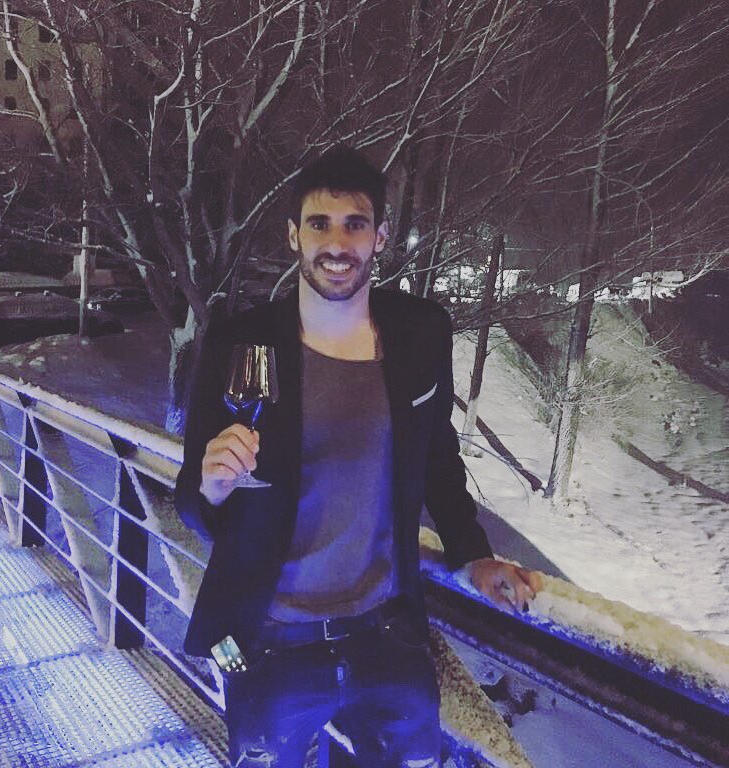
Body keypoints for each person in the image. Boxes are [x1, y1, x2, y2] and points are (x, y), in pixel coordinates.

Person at [175, 146, 542, 768]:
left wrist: (473, 553)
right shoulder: (240, 341)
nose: (337, 243)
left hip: (386, 635)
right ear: (293, 234)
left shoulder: (420, 332)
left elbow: (437, 455)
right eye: (319, 223)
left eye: (355, 224)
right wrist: (211, 484)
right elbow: (192, 502)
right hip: (267, 640)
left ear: (381, 237)